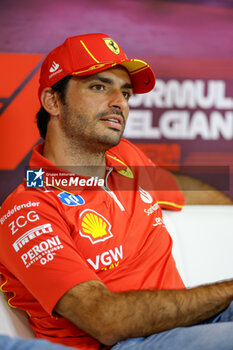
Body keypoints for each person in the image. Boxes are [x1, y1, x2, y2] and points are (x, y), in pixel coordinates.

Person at [0, 33, 232, 350]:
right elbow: (104, 320)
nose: (119, 102)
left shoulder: (126, 158)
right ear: (53, 101)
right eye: (99, 86)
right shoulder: (28, 209)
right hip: (126, 344)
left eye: (125, 92)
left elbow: (187, 192)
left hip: (192, 325)